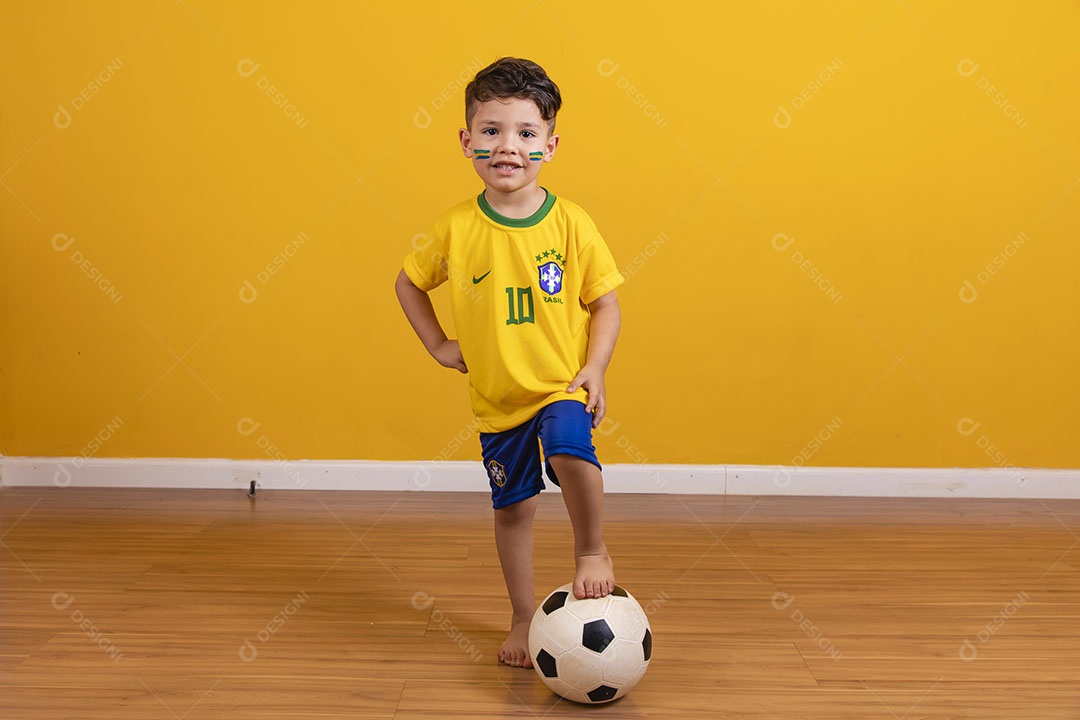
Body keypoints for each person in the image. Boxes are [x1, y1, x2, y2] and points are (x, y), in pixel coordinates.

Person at [395, 57, 624, 668]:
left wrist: (595, 367)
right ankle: (523, 616)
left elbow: (606, 304)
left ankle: (591, 549)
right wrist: (439, 345)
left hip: (560, 385)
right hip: (498, 402)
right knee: (514, 509)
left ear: (550, 144)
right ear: (466, 140)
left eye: (526, 133)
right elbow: (408, 283)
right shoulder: (455, 227)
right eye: (491, 131)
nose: (508, 147)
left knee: (570, 450)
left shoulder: (571, 223)